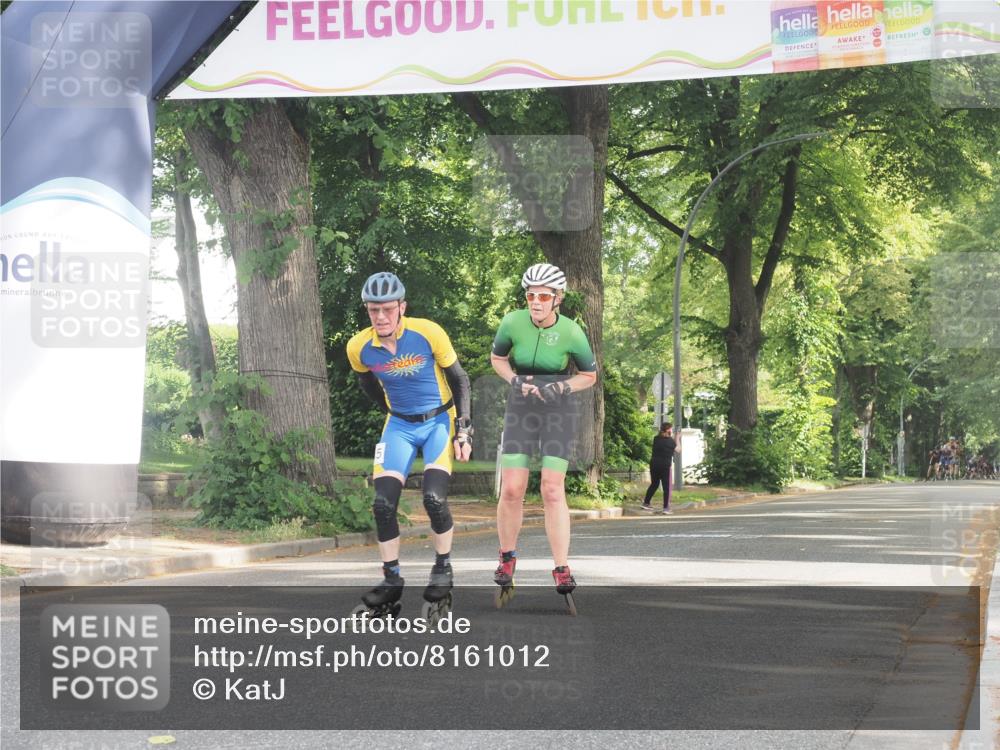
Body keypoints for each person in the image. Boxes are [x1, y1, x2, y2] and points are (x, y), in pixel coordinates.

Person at [346, 272, 473, 618]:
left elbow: (460, 380)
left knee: (434, 498)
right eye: (373, 310)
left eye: (387, 308)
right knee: (383, 504)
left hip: (438, 422)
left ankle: (442, 569)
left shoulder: (428, 333)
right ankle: (391, 581)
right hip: (398, 426)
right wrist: (391, 410)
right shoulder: (359, 347)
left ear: (402, 307)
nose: (381, 317)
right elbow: (368, 386)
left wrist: (463, 430)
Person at [490, 263, 598, 604]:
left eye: (542, 296)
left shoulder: (571, 332)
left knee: (552, 489)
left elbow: (589, 376)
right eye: (530, 295)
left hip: (558, 409)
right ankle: (507, 558)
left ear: (558, 299)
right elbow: (498, 358)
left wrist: (562, 388)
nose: (535, 302)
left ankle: (561, 566)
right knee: (512, 487)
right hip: (521, 406)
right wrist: (514, 380)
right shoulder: (512, 322)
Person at [640, 422, 680, 514]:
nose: (672, 430)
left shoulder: (656, 439)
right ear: (668, 430)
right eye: (671, 429)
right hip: (665, 466)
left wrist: (673, 437)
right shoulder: (670, 441)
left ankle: (646, 503)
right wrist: (677, 438)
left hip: (654, 464)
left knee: (654, 484)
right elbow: (678, 449)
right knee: (666, 487)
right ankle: (666, 508)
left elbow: (665, 441)